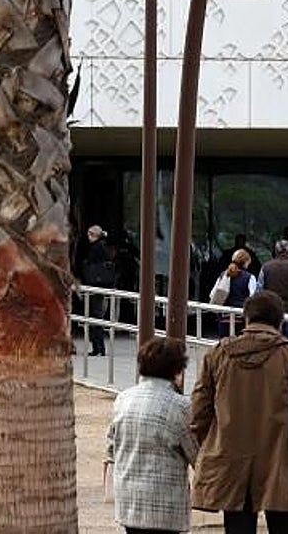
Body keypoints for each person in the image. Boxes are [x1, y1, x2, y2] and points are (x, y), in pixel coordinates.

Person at [190, 291, 288, 534]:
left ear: (245, 319)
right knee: (286, 526)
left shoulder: (218, 354)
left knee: (237, 526)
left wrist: (210, 449)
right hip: (281, 455)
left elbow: (199, 412)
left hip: (231, 457)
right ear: (280, 320)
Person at [105, 337, 198, 534]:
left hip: (128, 499)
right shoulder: (181, 406)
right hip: (164, 504)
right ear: (177, 370)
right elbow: (195, 454)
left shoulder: (123, 398)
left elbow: (111, 447)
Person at [83, 225, 116, 356]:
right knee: (98, 315)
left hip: (96, 284)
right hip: (103, 285)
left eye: (89, 235)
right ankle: (99, 347)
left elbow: (91, 264)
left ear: (93, 235)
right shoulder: (105, 246)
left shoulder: (96, 248)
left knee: (95, 315)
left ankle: (98, 347)